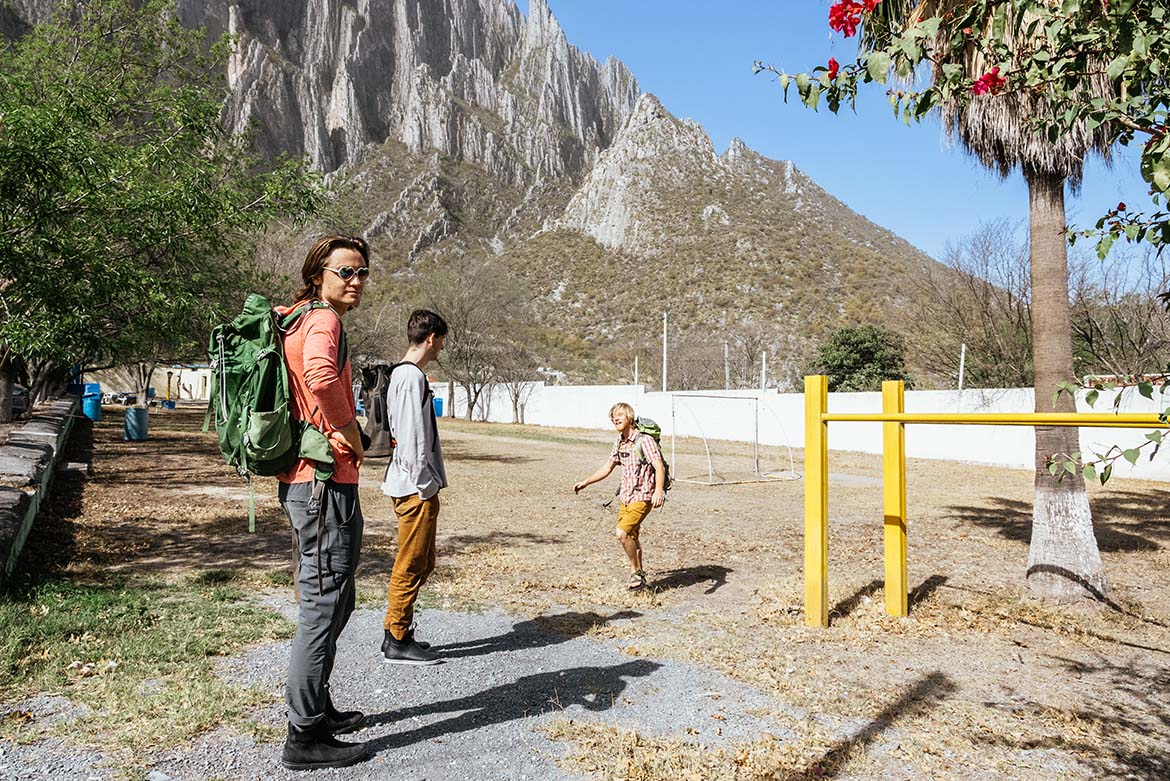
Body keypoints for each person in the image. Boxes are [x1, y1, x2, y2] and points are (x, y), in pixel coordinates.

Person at [275, 235, 371, 771]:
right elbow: (318, 377)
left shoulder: (300, 316)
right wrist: (351, 432)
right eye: (344, 272)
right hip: (322, 484)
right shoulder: (323, 320)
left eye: (361, 273)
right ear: (319, 274)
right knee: (322, 604)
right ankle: (303, 735)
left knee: (337, 598)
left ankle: (318, 706)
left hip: (313, 482)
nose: (354, 281)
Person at [379, 309, 449, 665]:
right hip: (413, 486)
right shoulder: (409, 378)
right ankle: (396, 637)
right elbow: (410, 439)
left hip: (414, 484)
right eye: (441, 343)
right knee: (411, 562)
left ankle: (398, 629)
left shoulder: (407, 376)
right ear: (432, 338)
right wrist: (425, 485)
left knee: (423, 562)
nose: (440, 350)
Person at [573, 403, 666, 590]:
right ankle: (640, 577)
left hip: (643, 496)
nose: (616, 418)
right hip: (626, 497)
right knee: (631, 535)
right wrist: (586, 482)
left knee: (621, 534)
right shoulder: (619, 442)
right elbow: (607, 467)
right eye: (613, 416)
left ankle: (635, 572)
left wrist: (658, 491)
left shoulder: (644, 440)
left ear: (630, 417)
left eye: (620, 415)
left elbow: (659, 466)